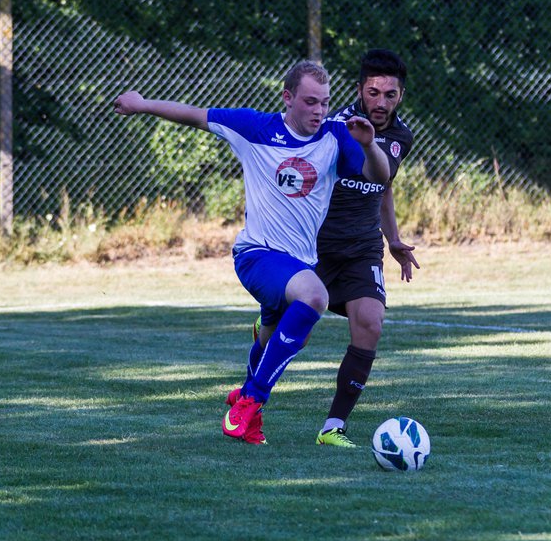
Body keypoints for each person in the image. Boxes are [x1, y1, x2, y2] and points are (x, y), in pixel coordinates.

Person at [113, 61, 390, 445]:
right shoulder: (255, 128)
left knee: (283, 335)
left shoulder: (336, 138)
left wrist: (368, 144)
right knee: (315, 297)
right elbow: (194, 114)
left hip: (299, 262)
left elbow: (380, 177)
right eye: (310, 102)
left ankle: (247, 397)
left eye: (325, 102)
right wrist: (143, 104)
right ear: (288, 97)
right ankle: (251, 402)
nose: (319, 111)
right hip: (256, 255)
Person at [311, 49, 417, 448]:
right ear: (359, 90)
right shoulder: (333, 127)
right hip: (316, 245)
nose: (381, 102)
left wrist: (393, 240)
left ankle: (333, 426)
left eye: (390, 94)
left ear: (400, 96)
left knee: (371, 323)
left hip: (362, 247)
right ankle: (265, 339)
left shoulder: (401, 136)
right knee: (291, 328)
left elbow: (384, 186)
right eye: (373, 92)